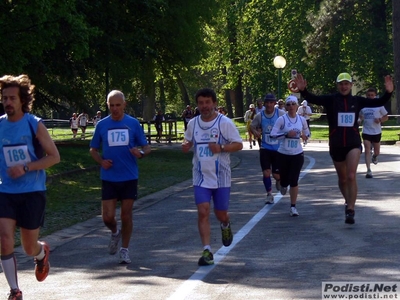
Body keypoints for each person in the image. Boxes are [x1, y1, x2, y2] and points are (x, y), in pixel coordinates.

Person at [294, 72, 393, 224]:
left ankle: (351, 209)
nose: (344, 86)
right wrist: (303, 91)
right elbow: (313, 98)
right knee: (343, 178)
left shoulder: (357, 101)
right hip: (336, 144)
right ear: (338, 85)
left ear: (351, 85)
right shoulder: (331, 100)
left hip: (353, 143)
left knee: (351, 175)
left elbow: (378, 102)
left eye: (347, 83)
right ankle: (348, 200)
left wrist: (388, 92)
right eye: (341, 84)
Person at [0, 74, 60, 300]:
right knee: (4, 238)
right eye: (4, 98)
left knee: (28, 247)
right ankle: (15, 291)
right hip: (6, 191)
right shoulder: (0, 126)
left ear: (22, 100)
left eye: (12, 98)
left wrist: (26, 167)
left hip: (32, 192)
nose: (8, 102)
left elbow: (54, 157)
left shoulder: (34, 124)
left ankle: (41, 253)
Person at [182, 88, 242, 266]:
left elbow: (238, 144)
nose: (204, 106)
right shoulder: (193, 124)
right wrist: (186, 145)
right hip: (200, 176)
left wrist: (222, 148)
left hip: (221, 175)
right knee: (203, 211)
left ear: (214, 103)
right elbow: (189, 140)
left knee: (220, 213)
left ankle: (225, 224)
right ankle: (207, 250)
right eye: (201, 103)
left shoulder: (224, 123)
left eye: (207, 102)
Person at [89, 90, 151, 264]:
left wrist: (140, 153)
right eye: (111, 105)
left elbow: (146, 148)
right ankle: (115, 232)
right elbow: (93, 149)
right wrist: (101, 161)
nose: (115, 109)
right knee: (107, 217)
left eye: (118, 105)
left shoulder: (133, 124)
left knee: (126, 215)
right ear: (108, 105)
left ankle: (125, 249)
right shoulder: (102, 125)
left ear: (124, 104)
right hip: (109, 176)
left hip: (129, 176)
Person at [270, 95, 310, 216]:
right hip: (283, 154)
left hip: (297, 154)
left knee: (294, 180)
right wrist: (286, 133)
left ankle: (293, 207)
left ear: (297, 106)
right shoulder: (282, 119)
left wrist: (305, 136)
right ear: (286, 107)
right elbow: (272, 134)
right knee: (281, 177)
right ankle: (281, 182)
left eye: (293, 104)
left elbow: (307, 132)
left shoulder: (301, 120)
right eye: (289, 104)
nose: (291, 106)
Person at [250, 93, 286, 204]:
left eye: (271, 103)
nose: (269, 105)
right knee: (266, 172)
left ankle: (279, 181)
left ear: (274, 103)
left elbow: (287, 123)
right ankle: (269, 194)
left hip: (278, 149)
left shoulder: (280, 114)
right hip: (265, 147)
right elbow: (252, 125)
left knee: (276, 175)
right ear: (264, 104)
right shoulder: (260, 116)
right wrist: (255, 132)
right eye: (267, 103)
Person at [358, 87, 389, 179]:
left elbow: (386, 117)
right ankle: (368, 170)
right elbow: (360, 116)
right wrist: (359, 120)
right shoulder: (363, 105)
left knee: (377, 151)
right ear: (366, 96)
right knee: (367, 149)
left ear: (375, 95)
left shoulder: (379, 104)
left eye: (372, 95)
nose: (370, 97)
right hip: (366, 131)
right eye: (368, 95)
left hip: (376, 132)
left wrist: (380, 119)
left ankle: (375, 156)